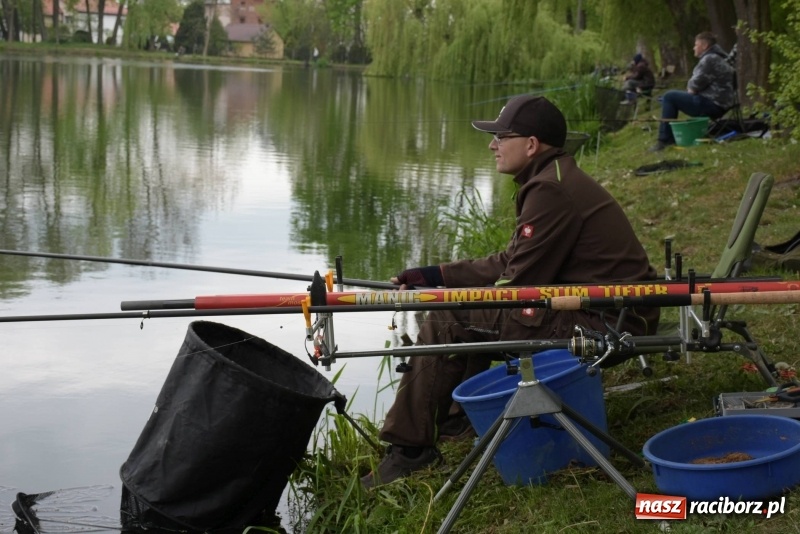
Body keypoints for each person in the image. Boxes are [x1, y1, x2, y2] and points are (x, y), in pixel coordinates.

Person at [360, 95, 661, 489]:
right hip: (604, 310)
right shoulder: (550, 178)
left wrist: (454, 301)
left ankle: (409, 449)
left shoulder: (551, 190)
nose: (492, 145)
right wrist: (436, 275)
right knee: (464, 311)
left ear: (531, 144)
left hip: (607, 321)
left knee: (451, 317)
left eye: (501, 136)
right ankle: (455, 420)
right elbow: (511, 260)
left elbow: (515, 286)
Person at [650, 32, 735, 152]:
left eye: (696, 45)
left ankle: (664, 140)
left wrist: (691, 89)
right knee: (670, 97)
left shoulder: (709, 59)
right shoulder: (718, 57)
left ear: (704, 46)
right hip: (720, 103)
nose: (694, 47)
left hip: (713, 105)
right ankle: (666, 139)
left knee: (669, 96)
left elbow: (694, 86)